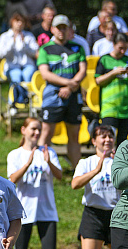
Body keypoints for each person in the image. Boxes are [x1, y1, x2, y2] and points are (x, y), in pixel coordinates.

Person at [7, 117, 63, 249]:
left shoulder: (48, 152)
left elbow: (60, 175)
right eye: (33, 129)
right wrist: (28, 163)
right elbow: (12, 179)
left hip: (47, 212)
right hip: (23, 213)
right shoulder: (15, 155)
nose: (36, 133)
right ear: (23, 130)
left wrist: (49, 162)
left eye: (39, 129)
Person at [71, 125, 121, 249]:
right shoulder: (86, 162)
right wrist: (96, 170)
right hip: (93, 215)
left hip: (117, 216)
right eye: (102, 136)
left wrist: (120, 163)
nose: (107, 139)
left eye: (110, 136)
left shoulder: (121, 162)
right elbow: (75, 184)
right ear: (94, 141)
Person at [37, 14, 86, 168]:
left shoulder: (78, 48)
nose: (61, 31)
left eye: (64, 27)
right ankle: (40, 168)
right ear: (52, 29)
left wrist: (69, 88)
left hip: (73, 95)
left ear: (69, 29)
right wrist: (69, 83)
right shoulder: (45, 49)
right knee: (46, 133)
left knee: (74, 135)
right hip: (52, 96)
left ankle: (77, 172)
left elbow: (82, 70)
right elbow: (45, 73)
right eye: (58, 27)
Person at [95, 32, 128, 148]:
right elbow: (97, 81)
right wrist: (113, 73)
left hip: (126, 107)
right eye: (120, 48)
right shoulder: (104, 59)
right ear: (113, 44)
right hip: (109, 107)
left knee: (123, 143)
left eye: (125, 48)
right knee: (107, 140)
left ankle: (121, 165)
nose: (123, 51)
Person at [0, 13, 38, 107]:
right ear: (12, 22)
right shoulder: (5, 36)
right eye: (17, 21)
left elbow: (35, 52)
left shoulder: (29, 36)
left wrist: (25, 44)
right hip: (12, 66)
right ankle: (14, 102)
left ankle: (30, 102)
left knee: (28, 75)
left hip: (27, 65)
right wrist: (12, 42)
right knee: (17, 77)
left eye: (21, 21)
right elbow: (1, 54)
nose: (19, 24)